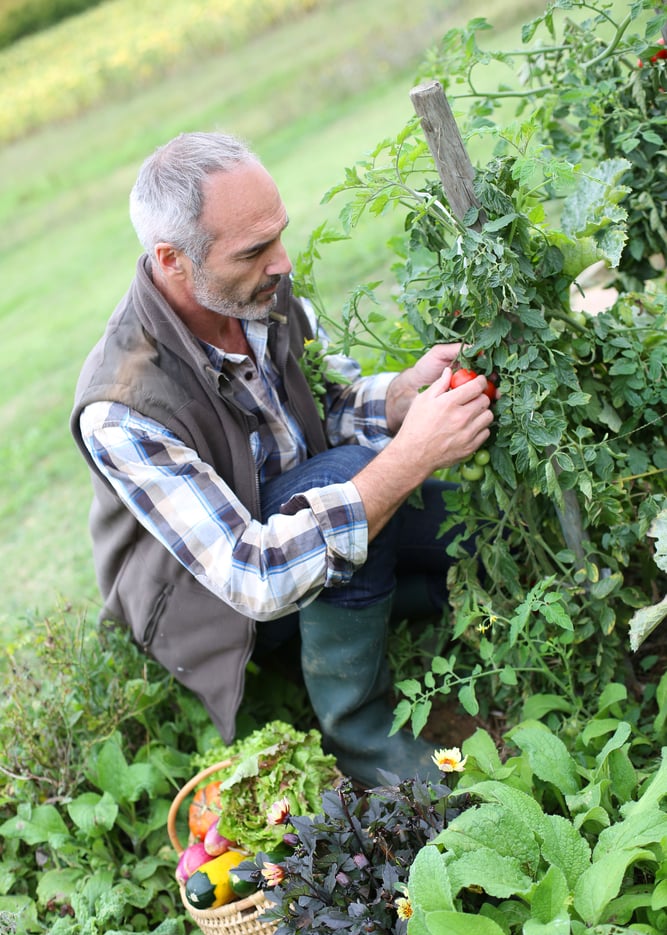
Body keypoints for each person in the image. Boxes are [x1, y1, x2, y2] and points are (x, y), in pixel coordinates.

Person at [70, 131, 494, 788]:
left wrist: (402, 396)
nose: (282, 261)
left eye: (279, 235)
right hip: (222, 609)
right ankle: (364, 744)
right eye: (255, 249)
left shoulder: (256, 294)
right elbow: (256, 578)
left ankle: (398, 603)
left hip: (306, 512)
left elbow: (327, 405)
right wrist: (410, 458)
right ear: (171, 259)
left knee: (473, 538)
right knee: (351, 484)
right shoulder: (122, 406)